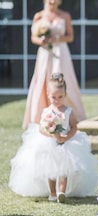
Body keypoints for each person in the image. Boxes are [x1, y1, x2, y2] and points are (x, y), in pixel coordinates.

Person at [9, 73, 98, 203]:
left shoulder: (68, 111)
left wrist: (66, 137)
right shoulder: (47, 112)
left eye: (60, 97)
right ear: (48, 95)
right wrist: (51, 134)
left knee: (64, 170)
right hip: (50, 143)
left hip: (66, 144)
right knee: (50, 170)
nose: (57, 100)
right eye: (53, 97)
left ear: (65, 95)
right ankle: (52, 192)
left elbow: (74, 127)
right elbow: (41, 128)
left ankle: (61, 192)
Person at [23, 0, 86, 129]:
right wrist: (42, 39)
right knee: (42, 81)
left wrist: (56, 39)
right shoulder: (39, 16)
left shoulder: (65, 16)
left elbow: (70, 36)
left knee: (62, 80)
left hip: (60, 52)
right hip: (45, 53)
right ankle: (41, 115)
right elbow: (33, 38)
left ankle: (70, 115)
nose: (52, 1)